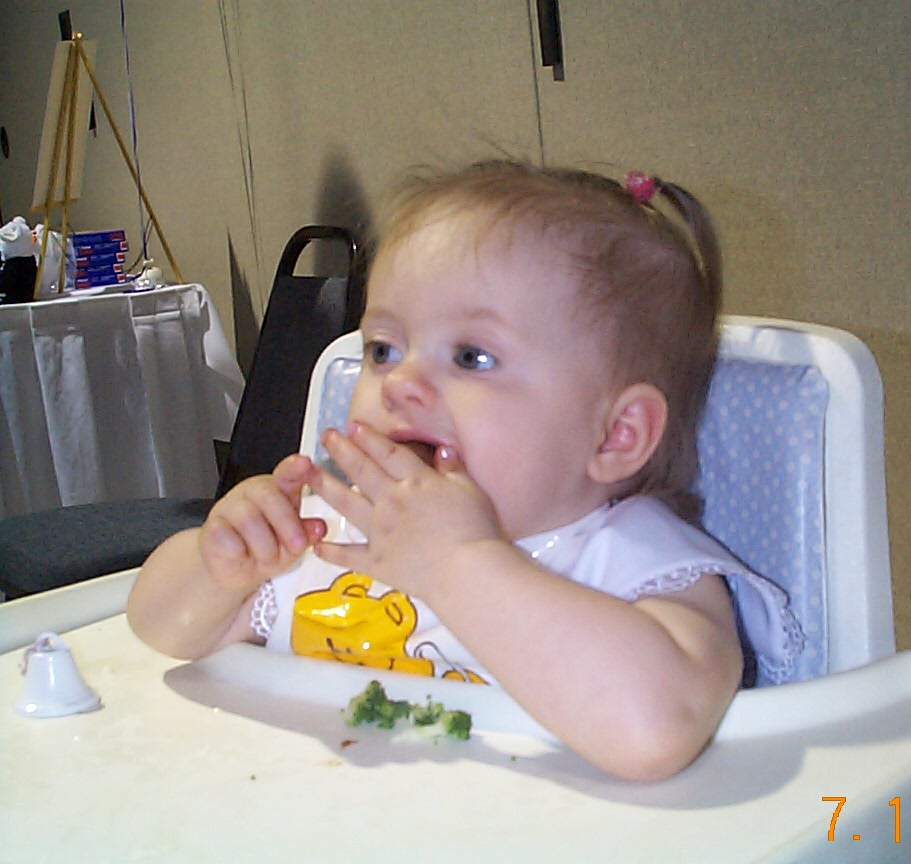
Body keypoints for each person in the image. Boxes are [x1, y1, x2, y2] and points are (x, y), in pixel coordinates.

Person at [127, 160, 802, 782]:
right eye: (384, 349)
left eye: (473, 357)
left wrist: (460, 566)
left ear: (615, 435)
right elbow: (160, 629)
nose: (400, 383)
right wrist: (219, 565)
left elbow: (654, 731)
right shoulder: (329, 532)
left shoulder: (638, 568)